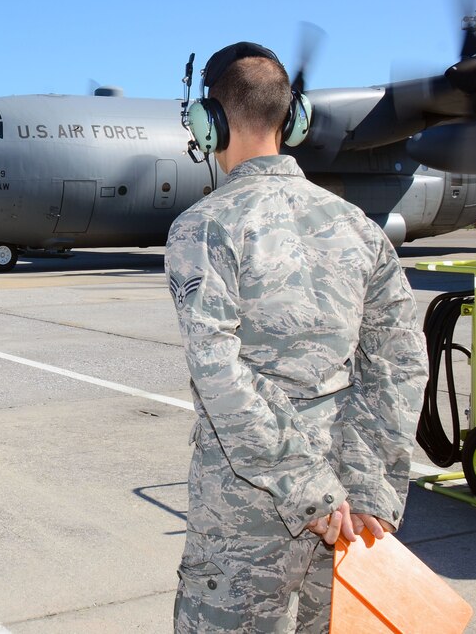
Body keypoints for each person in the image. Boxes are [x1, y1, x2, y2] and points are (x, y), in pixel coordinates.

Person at [166, 42, 427, 633]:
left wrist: (310, 492)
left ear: (210, 122)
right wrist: (365, 490)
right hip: (349, 516)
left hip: (248, 506)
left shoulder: (204, 228)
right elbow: (400, 362)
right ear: (294, 118)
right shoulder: (358, 227)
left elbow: (220, 374)